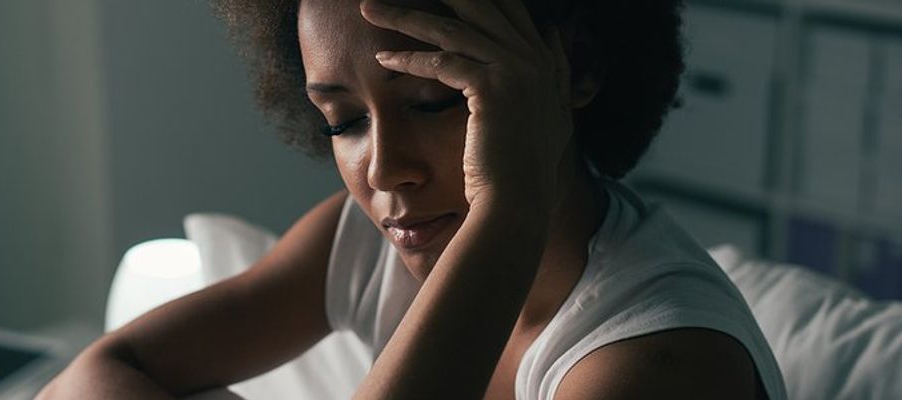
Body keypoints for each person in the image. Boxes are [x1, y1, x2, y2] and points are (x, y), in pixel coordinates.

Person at [38, 0, 787, 398]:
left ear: (574, 70)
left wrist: (507, 209)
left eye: (432, 102)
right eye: (346, 120)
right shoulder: (370, 245)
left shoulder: (662, 362)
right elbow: (93, 374)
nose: (385, 170)